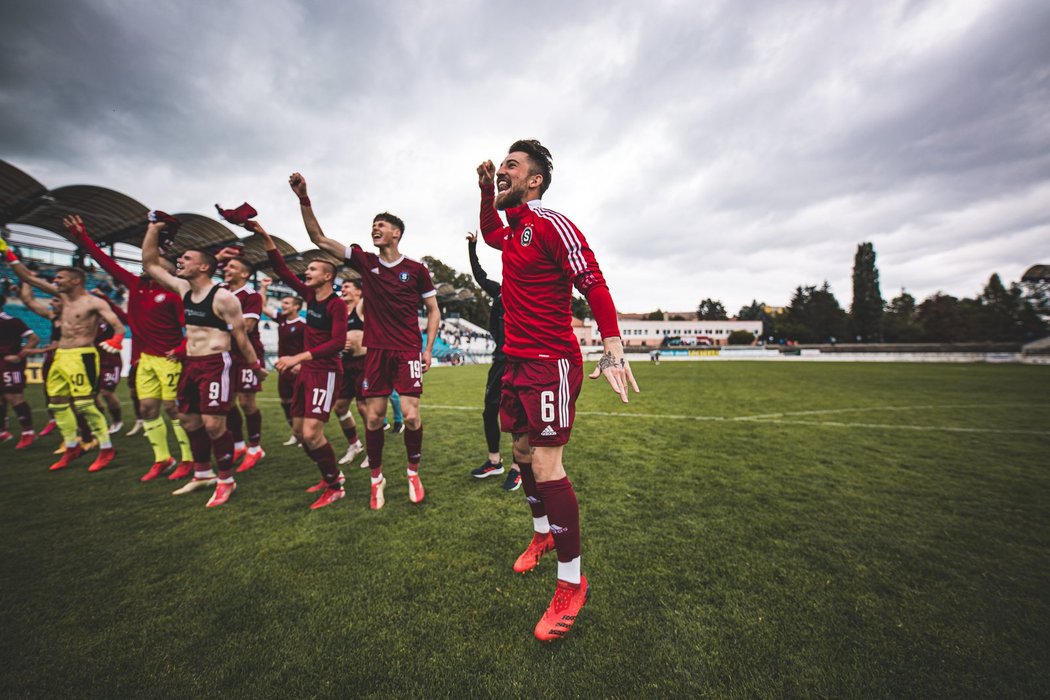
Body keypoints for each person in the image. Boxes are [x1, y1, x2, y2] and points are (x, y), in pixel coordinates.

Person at [476, 139, 639, 641]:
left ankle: (572, 582)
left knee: (547, 466)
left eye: (511, 166)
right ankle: (543, 535)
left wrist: (612, 346)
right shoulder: (514, 229)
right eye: (501, 164)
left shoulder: (549, 223)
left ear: (535, 181)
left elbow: (593, 280)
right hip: (517, 363)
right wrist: (485, 190)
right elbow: (488, 234)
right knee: (521, 452)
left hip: (551, 364)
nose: (503, 169)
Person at [288, 172, 440, 510]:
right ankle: (377, 479)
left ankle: (413, 472)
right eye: (373, 225)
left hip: (407, 351)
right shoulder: (364, 260)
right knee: (373, 418)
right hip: (376, 352)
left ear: (396, 233)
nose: (375, 229)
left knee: (413, 416)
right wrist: (304, 198)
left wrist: (428, 348)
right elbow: (318, 237)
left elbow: (433, 311)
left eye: (381, 225)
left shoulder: (416, 270)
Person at [141, 218, 260, 507]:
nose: (180, 261)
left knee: (213, 425)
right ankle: (202, 472)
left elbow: (242, 337)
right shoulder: (184, 289)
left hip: (216, 364)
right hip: (191, 365)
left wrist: (255, 365)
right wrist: (153, 230)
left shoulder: (224, 298)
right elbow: (150, 265)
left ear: (204, 267)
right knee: (189, 421)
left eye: (187, 258)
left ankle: (225, 479)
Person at [65, 215, 192, 482]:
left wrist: (180, 350)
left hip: (169, 359)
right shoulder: (135, 285)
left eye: (156, 264)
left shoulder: (174, 295)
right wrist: (82, 238)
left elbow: (190, 329)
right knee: (147, 409)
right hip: (144, 360)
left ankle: (188, 459)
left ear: (168, 271)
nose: (148, 266)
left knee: (173, 409)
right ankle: (162, 458)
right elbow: (105, 262)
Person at [246, 220, 348, 509]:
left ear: (328, 276)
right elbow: (281, 270)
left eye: (314, 269)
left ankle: (335, 486)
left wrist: (299, 358)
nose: (307, 272)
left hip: (325, 373)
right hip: (307, 372)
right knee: (301, 433)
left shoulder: (336, 305)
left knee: (311, 433)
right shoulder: (308, 296)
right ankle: (330, 475)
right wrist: (265, 236)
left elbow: (338, 342)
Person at [2, 236, 126, 472]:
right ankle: (72, 446)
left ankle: (106, 448)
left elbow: (118, 325)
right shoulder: (63, 299)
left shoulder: (93, 302)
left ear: (76, 280)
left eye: (60, 278)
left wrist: (117, 339)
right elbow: (28, 278)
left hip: (83, 356)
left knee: (85, 405)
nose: (55, 281)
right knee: (57, 404)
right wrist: (8, 253)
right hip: (60, 356)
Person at [465, 232, 518, 491]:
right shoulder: (498, 291)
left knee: (518, 416)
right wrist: (472, 247)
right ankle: (494, 461)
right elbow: (479, 276)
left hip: (521, 362)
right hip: (500, 361)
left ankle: (518, 468)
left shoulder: (528, 293)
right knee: (489, 411)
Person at [215, 252, 266, 472]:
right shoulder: (220, 292)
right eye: (226, 266)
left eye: (232, 267)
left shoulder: (251, 295)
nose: (227, 269)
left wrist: (215, 326)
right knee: (227, 402)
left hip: (247, 354)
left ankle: (255, 448)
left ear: (244, 273)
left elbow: (247, 326)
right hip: (225, 353)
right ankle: (238, 445)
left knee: (246, 402)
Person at [259, 278, 305, 446]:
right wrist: (263, 288)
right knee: (285, 402)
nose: (282, 305)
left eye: (286, 303)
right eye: (282, 303)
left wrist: (300, 364)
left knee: (300, 403)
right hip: (283, 369)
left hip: (298, 369)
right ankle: (295, 432)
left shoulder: (302, 325)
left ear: (296, 307)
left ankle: (304, 433)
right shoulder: (281, 319)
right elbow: (263, 307)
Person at [333, 278, 366, 465]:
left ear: (358, 292)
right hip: (345, 364)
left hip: (364, 363)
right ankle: (354, 445)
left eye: (347, 286)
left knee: (364, 408)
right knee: (340, 407)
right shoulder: (339, 314)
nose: (343, 289)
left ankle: (373, 450)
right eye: (342, 287)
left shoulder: (361, 308)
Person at [0, 298, 40, 449]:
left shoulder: (11, 321)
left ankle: (28, 433)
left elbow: (34, 338)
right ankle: (2, 432)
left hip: (9, 364)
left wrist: (19, 356)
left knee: (13, 396)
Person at [91, 290, 126, 434]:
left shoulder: (113, 322)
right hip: (93, 363)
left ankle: (117, 421)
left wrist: (103, 296)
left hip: (111, 362)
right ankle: (100, 422)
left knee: (106, 392)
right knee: (91, 395)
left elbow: (121, 319)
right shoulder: (91, 323)